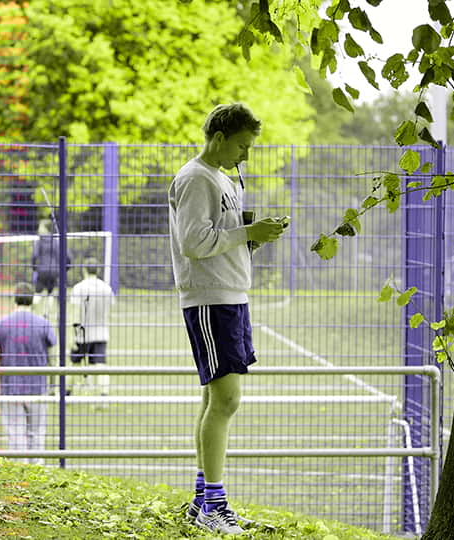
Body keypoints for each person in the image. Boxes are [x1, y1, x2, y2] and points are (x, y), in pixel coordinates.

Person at [168, 103, 286, 534]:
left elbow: (219, 234)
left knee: (214, 399)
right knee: (227, 400)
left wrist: (252, 233)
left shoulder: (221, 177)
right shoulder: (197, 176)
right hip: (209, 298)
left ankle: (204, 501)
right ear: (219, 137)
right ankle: (213, 506)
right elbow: (194, 242)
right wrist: (247, 233)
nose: (246, 156)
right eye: (242, 145)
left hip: (231, 295)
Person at [0, 282, 56, 466]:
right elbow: (54, 359)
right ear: (33, 300)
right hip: (38, 387)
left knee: (15, 434)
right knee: (37, 434)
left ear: (14, 299)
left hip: (11, 388)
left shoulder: (1, 324)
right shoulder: (43, 324)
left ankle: (20, 475)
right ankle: (37, 473)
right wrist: (54, 384)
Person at [68, 257, 115, 398]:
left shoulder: (79, 288)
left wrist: (72, 335)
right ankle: (104, 394)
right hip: (101, 332)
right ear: (98, 270)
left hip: (82, 333)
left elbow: (75, 313)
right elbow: (110, 309)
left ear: (84, 270)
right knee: (100, 365)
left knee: (74, 364)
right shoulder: (106, 288)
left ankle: (66, 392)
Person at [31, 219, 69, 320]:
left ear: (45, 228)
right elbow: (64, 256)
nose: (39, 229)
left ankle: (32, 309)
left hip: (42, 270)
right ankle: (46, 313)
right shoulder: (56, 241)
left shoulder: (39, 241)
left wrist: (34, 267)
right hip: (54, 271)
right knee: (50, 292)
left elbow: (34, 255)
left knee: (38, 292)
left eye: (41, 226)